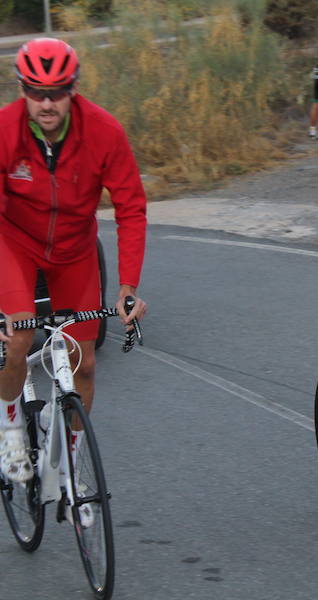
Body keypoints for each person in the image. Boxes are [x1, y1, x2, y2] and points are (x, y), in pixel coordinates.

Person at [0, 38, 148, 485]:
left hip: (75, 250)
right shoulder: (5, 129)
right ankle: (9, 429)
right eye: (36, 91)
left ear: (73, 88)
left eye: (57, 92)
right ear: (22, 88)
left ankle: (65, 466)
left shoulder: (104, 132)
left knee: (84, 365)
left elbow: (131, 208)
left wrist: (126, 287)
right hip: (14, 242)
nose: (46, 103)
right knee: (21, 337)